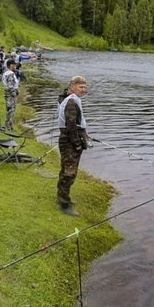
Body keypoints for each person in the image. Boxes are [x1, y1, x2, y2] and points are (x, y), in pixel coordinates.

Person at [56, 76, 89, 217]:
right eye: (81, 87)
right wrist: (77, 144)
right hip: (68, 140)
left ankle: (62, 196)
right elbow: (70, 127)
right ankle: (64, 203)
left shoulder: (71, 98)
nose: (84, 90)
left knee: (66, 168)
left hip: (68, 138)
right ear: (73, 85)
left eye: (85, 87)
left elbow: (75, 123)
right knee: (69, 172)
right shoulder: (71, 102)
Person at [1, 59, 19, 131]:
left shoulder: (6, 73)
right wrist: (14, 94)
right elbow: (10, 86)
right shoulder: (10, 74)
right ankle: (8, 127)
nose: (15, 66)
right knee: (11, 111)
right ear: (11, 65)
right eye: (14, 65)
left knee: (10, 110)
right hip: (10, 95)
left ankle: (9, 126)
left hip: (8, 94)